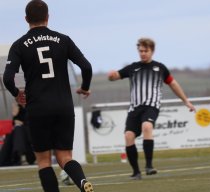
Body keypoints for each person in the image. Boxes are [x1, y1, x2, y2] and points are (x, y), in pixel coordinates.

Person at [3, 0, 94, 192]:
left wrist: (17, 94)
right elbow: (86, 67)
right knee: (65, 157)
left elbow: (7, 78)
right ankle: (83, 182)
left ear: (26, 19)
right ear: (48, 17)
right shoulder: (63, 40)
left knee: (44, 161)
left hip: (38, 108)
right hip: (63, 106)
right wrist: (85, 87)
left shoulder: (19, 45)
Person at [108, 38, 196, 180]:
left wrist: (186, 101)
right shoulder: (133, 68)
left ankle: (149, 166)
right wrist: (111, 76)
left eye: (145, 51)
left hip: (151, 106)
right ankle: (136, 172)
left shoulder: (160, 68)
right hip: (134, 108)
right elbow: (115, 76)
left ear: (152, 51)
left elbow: (173, 84)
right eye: (140, 51)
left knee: (147, 126)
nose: (142, 53)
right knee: (128, 136)